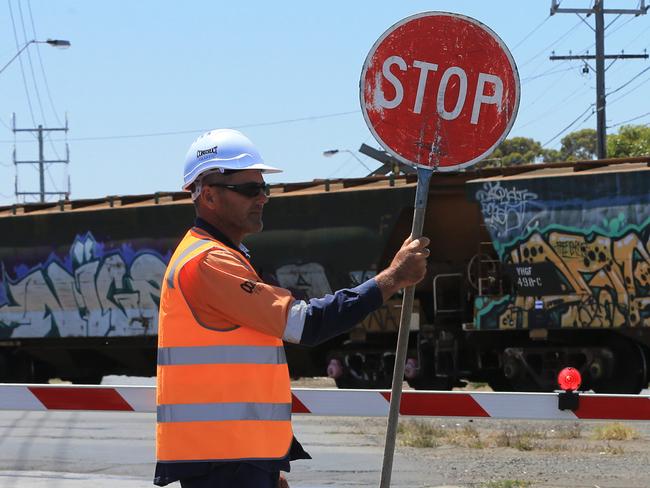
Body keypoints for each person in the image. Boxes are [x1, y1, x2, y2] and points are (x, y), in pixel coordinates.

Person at [154, 129, 430, 488]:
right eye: (250, 189)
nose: (264, 198)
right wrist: (391, 279)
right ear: (208, 195)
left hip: (236, 457)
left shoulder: (217, 256)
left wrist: (267, 467)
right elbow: (306, 324)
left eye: (264, 187)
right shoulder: (208, 262)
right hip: (225, 459)